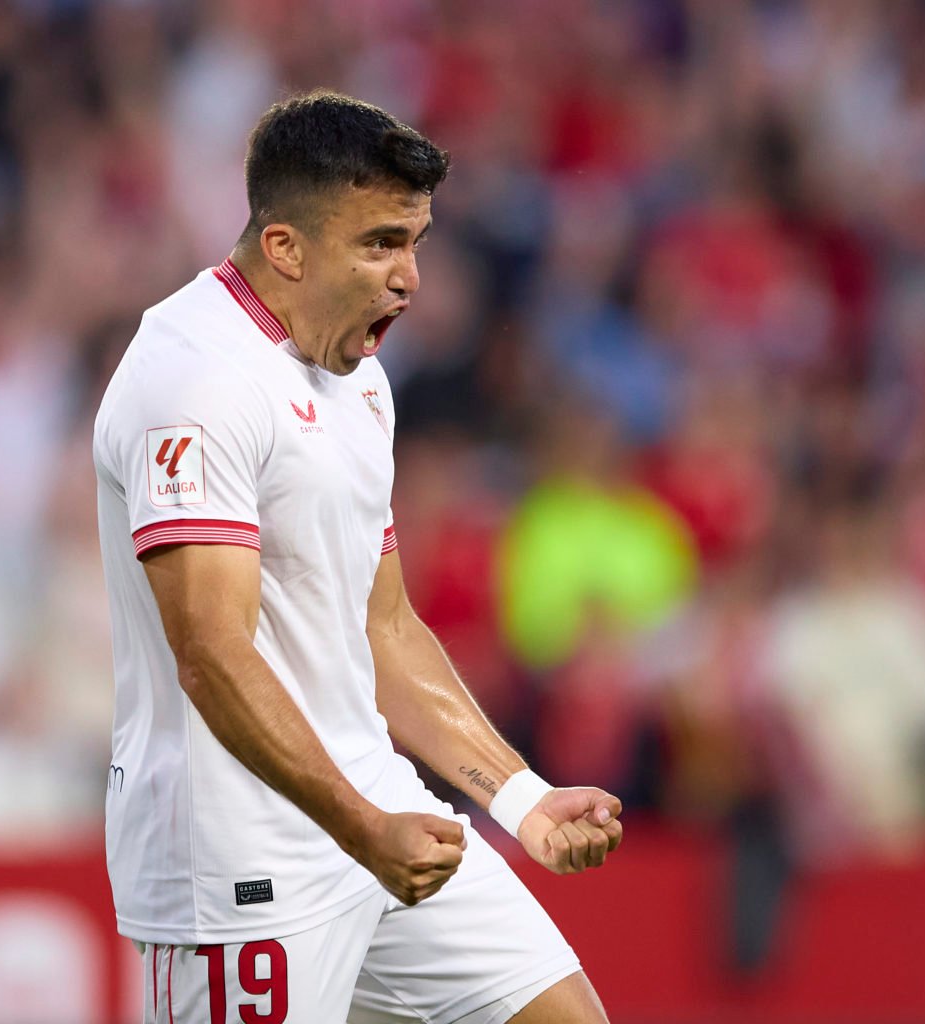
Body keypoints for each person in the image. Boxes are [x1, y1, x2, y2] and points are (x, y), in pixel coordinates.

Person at [92, 90, 623, 1024]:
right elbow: (212, 654)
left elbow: (380, 626)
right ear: (287, 248)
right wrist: (360, 827)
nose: (410, 277)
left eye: (415, 241)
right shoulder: (196, 382)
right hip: (238, 853)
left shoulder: (359, 379)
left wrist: (522, 799)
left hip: (372, 805)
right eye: (380, 243)